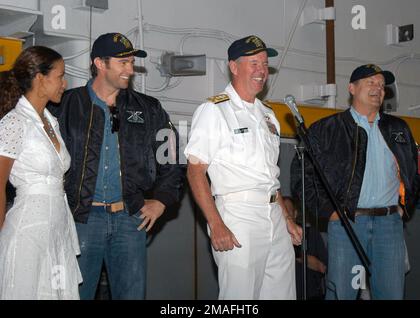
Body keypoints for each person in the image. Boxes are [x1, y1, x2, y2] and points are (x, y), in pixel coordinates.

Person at [48, 33, 184, 300]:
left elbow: (173, 158)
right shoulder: (65, 105)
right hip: (80, 220)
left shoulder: (149, 108)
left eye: (131, 62)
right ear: (100, 63)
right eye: (123, 63)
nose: (130, 70)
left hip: (129, 220)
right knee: (74, 295)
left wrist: (162, 200)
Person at [184, 35, 302, 300]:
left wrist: (287, 218)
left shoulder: (269, 115)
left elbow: (271, 177)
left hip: (274, 215)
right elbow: (195, 171)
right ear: (234, 67)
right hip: (238, 215)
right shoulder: (214, 110)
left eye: (264, 63)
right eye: (254, 63)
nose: (261, 70)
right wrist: (216, 224)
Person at [291, 64, 420, 300]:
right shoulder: (327, 129)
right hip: (347, 223)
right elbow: (303, 177)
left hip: (389, 225)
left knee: (392, 294)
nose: (378, 89)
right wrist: (330, 212)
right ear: (352, 88)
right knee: (342, 293)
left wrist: (403, 207)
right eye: (370, 82)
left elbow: (414, 171)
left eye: (381, 85)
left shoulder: (398, 128)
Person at [0, 46, 82, 299]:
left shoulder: (51, 121)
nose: (65, 83)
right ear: (40, 78)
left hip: (58, 229)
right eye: (60, 76)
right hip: (27, 231)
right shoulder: (14, 122)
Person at [283, 197, 327, 300]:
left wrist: (298, 255)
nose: (284, 216)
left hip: (310, 294)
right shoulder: (271, 238)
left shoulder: (311, 234)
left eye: (287, 212)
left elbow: (322, 268)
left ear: (295, 214)